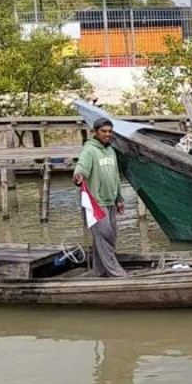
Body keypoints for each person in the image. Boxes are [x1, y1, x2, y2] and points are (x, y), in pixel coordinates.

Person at [72, 117, 127, 278]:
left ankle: (98, 271)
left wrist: (119, 198)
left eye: (110, 131)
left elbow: (115, 177)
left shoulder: (111, 151)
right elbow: (81, 167)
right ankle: (117, 274)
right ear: (95, 132)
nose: (107, 134)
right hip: (95, 203)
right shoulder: (89, 150)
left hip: (110, 201)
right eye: (103, 131)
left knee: (108, 237)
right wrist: (78, 176)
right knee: (105, 237)